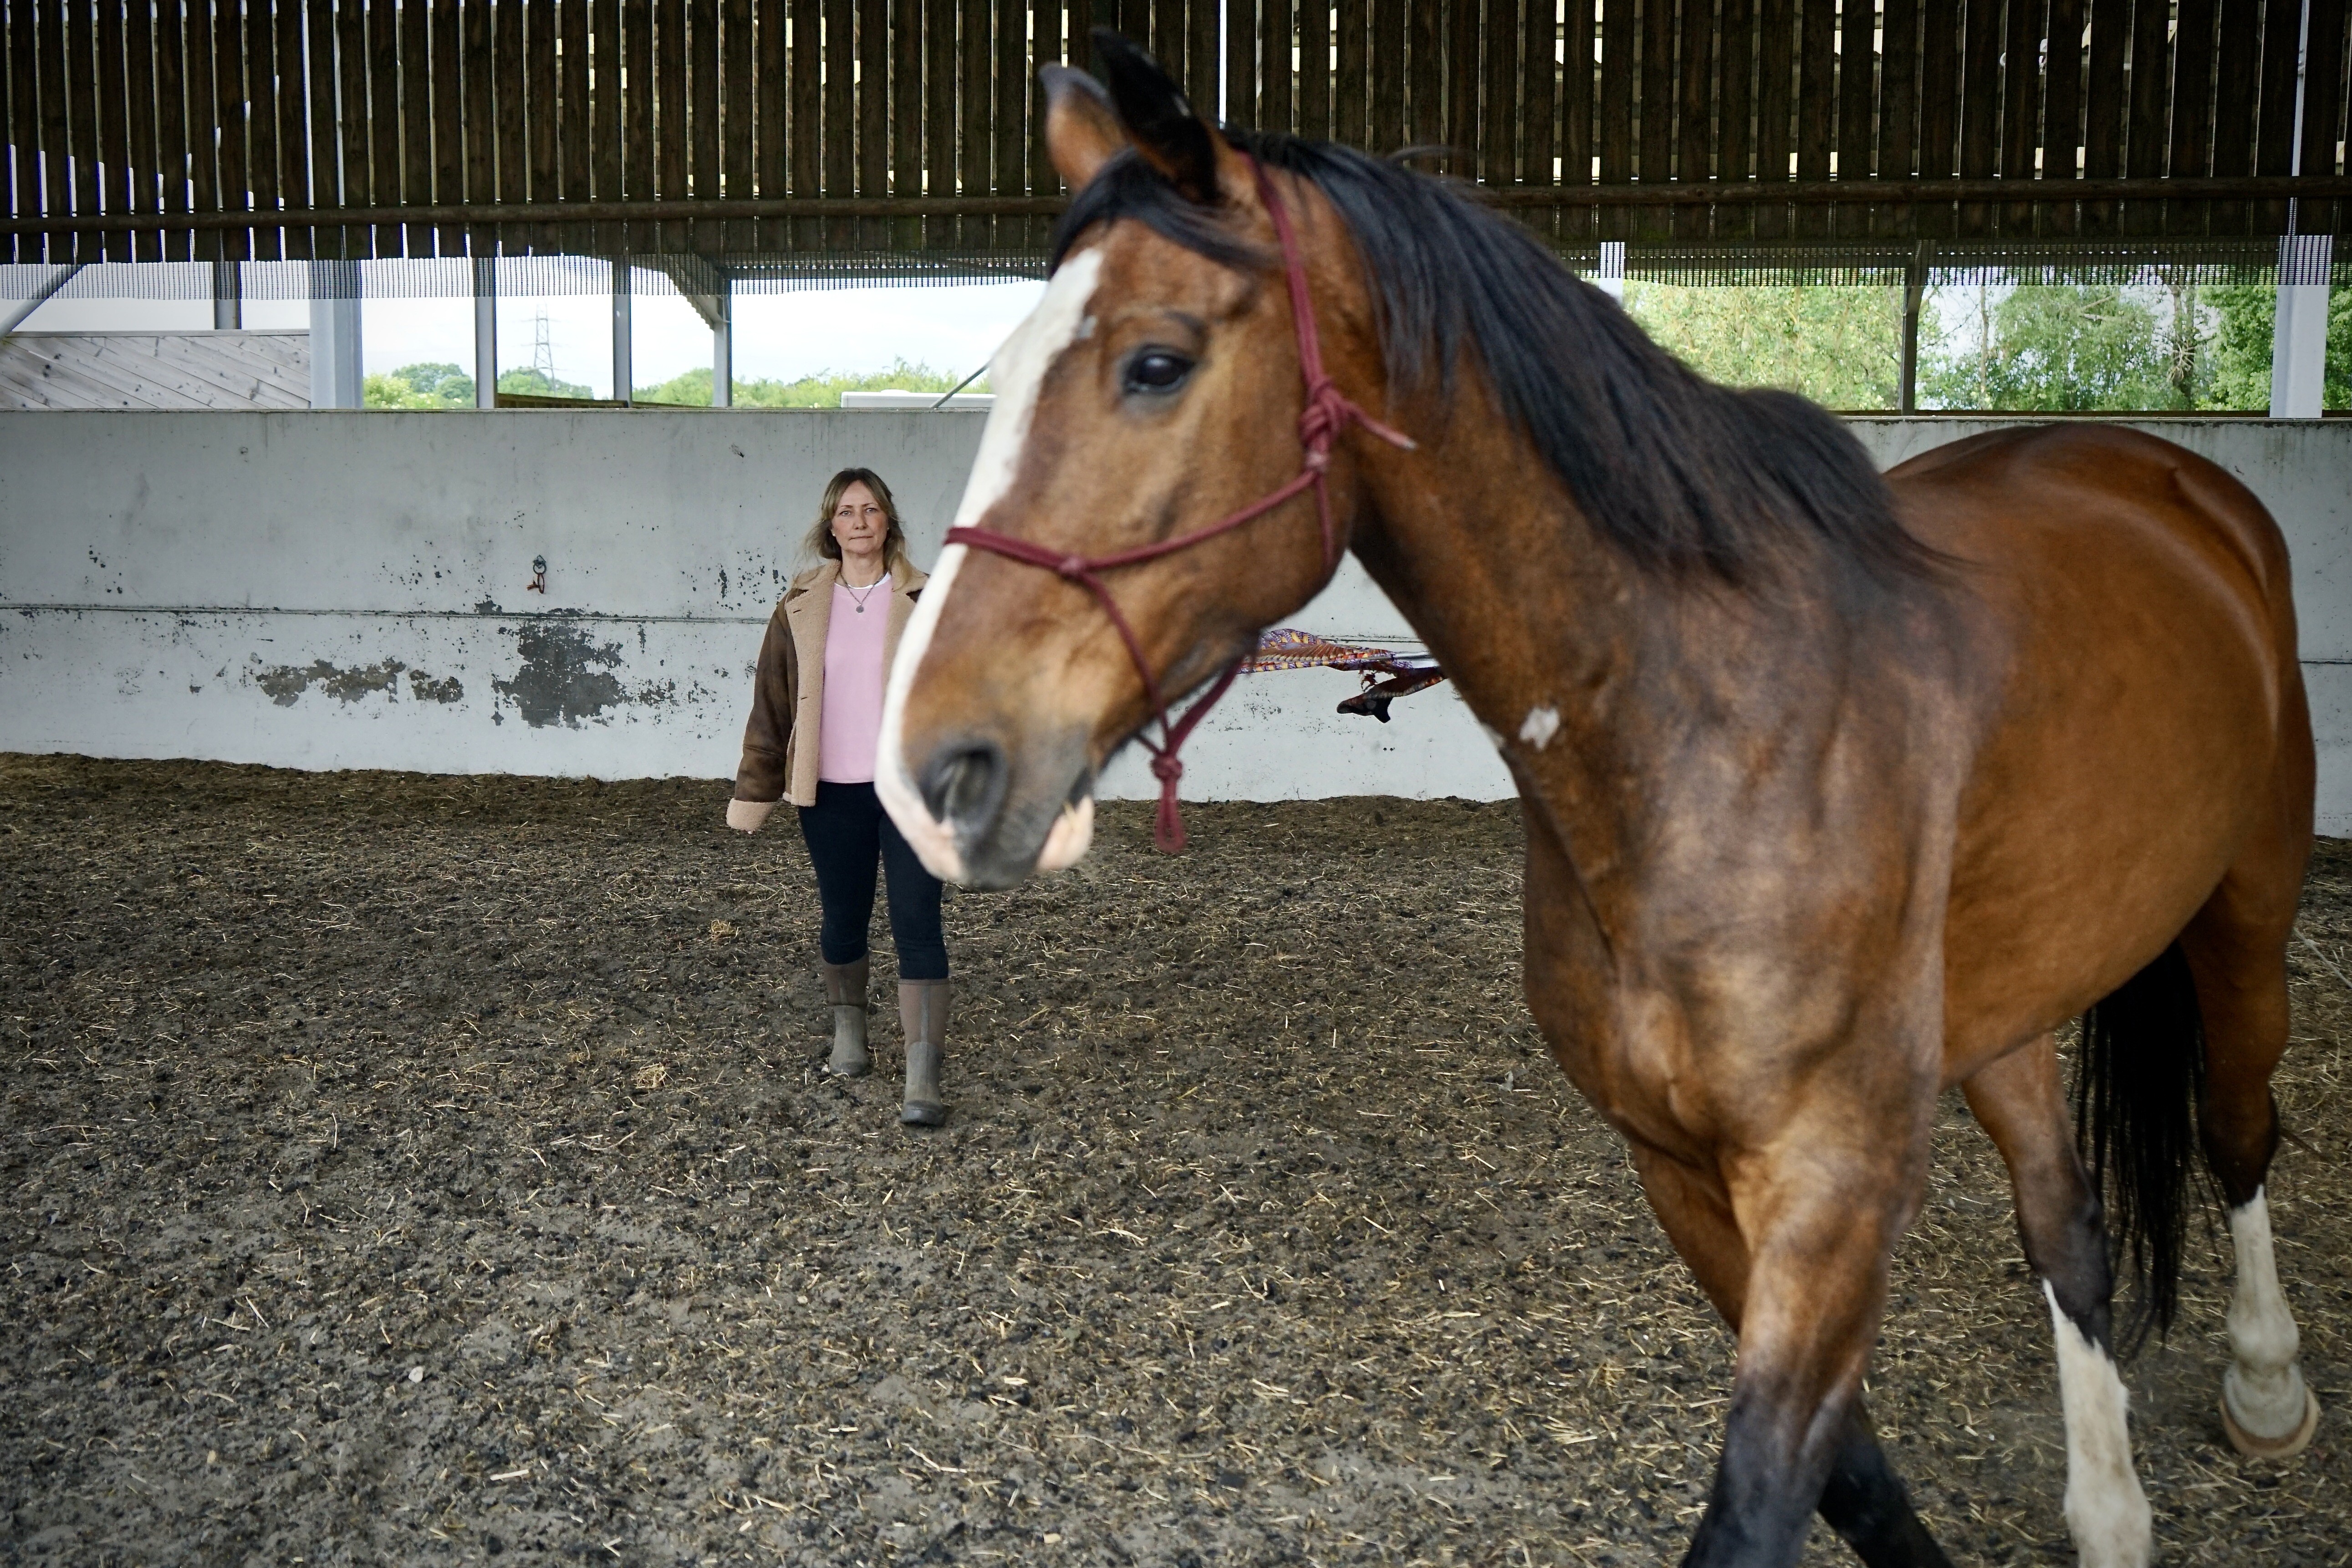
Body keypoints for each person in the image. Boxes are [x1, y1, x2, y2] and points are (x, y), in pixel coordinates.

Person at [725, 468, 951, 1127]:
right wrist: (755, 789)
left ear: (888, 522)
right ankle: (849, 1031)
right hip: (829, 790)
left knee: (918, 922)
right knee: (842, 917)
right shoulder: (799, 604)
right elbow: (771, 705)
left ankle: (922, 1072)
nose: (859, 521)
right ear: (831, 526)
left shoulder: (928, 600)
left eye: (871, 510)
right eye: (847, 511)